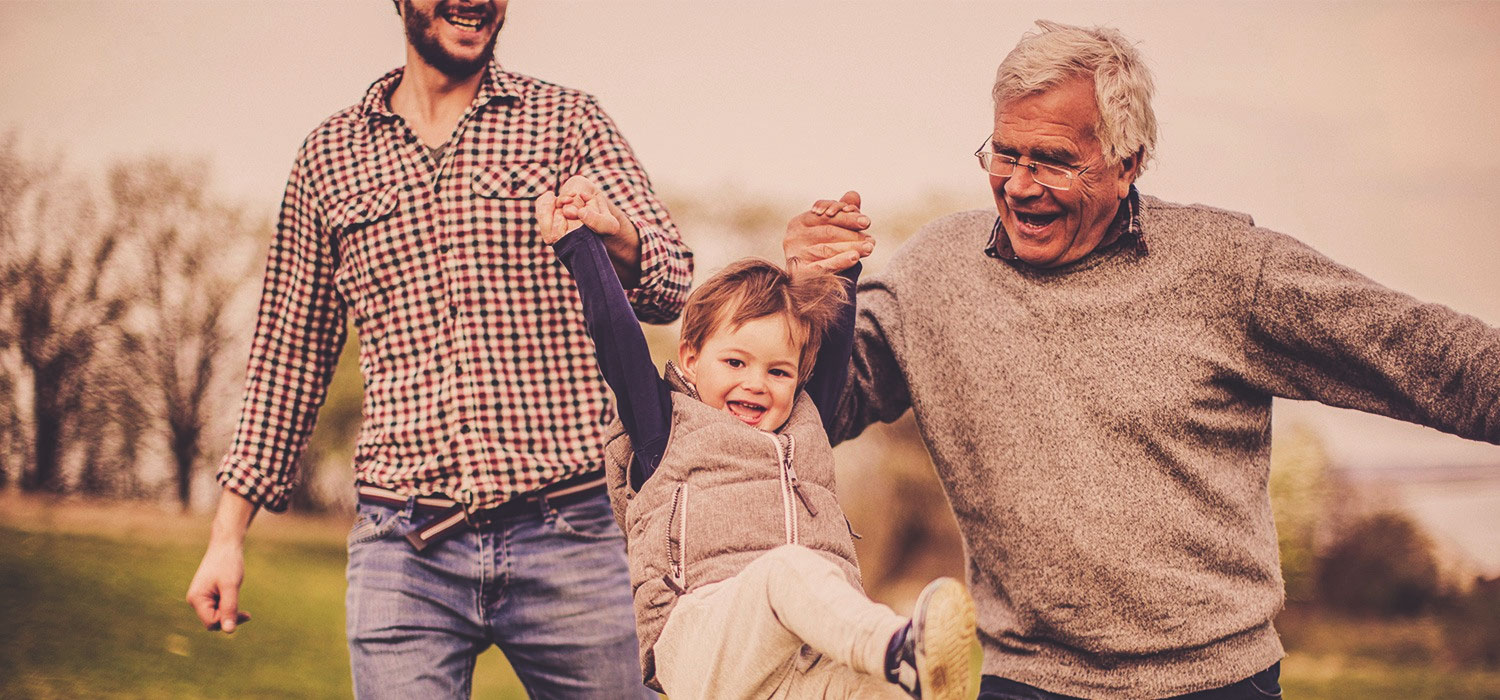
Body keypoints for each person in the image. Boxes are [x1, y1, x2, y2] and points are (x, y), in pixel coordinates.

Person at [785, 19, 1500, 700]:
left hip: (1216, 684)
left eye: (1055, 161)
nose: (1021, 184)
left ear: (1127, 164)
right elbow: (819, 406)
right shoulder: (935, 270)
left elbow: (1423, 355)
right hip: (1024, 679)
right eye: (1005, 154)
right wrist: (813, 300)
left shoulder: (1225, 268)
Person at [184, 1, 690, 697]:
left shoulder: (566, 121)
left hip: (572, 530)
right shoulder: (329, 158)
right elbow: (289, 353)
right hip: (405, 546)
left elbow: (672, 281)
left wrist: (615, 232)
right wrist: (227, 536)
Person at [535, 180, 980, 699]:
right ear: (692, 356)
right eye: (735, 362)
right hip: (700, 643)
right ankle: (901, 652)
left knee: (874, 693)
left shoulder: (804, 425)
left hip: (798, 665)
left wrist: (838, 271)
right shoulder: (665, 424)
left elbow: (829, 353)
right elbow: (616, 336)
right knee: (789, 572)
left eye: (778, 371)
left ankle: (909, 683)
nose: (755, 382)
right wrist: (581, 247)